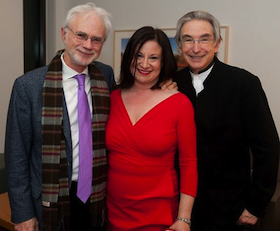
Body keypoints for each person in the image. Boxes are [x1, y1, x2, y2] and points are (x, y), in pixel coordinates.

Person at [4, 3, 114, 231]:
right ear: (64, 34)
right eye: (81, 35)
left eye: (96, 39)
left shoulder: (105, 75)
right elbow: (17, 155)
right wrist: (22, 212)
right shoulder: (28, 86)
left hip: (96, 196)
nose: (87, 45)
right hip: (49, 198)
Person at [173, 11, 280, 231]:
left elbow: (267, 147)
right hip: (177, 206)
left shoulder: (244, 83)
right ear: (179, 45)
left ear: (217, 43)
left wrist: (256, 205)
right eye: (188, 39)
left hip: (229, 210)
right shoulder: (171, 84)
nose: (196, 48)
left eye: (204, 39)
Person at [105, 26, 198, 231]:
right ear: (128, 57)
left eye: (153, 57)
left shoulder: (179, 104)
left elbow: (189, 164)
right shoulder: (110, 99)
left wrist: (184, 219)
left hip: (160, 215)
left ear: (163, 62)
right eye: (138, 55)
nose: (144, 64)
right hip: (112, 213)